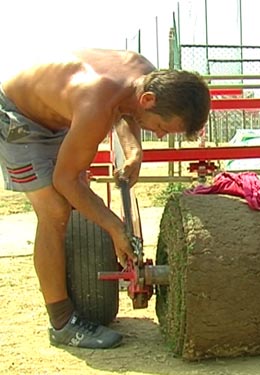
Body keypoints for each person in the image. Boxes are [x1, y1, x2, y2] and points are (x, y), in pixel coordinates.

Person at [0, 48, 211, 348]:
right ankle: (62, 324)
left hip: (58, 115)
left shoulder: (145, 77)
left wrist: (134, 148)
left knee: (75, 205)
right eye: (163, 129)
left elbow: (126, 108)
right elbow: (65, 179)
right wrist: (115, 227)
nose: (162, 136)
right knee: (56, 210)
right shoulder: (96, 103)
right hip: (18, 116)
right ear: (149, 100)